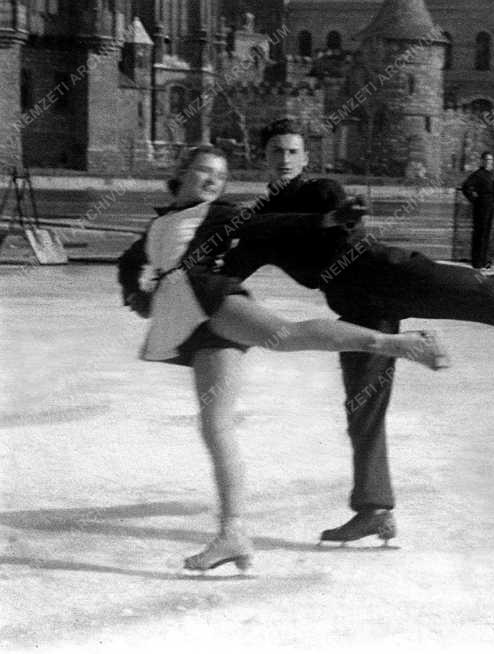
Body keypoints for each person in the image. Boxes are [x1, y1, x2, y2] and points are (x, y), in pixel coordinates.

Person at [220, 117, 494, 546]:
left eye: (291, 152)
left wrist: (313, 221)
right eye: (275, 152)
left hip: (385, 271)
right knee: (363, 405)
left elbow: (337, 224)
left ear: (305, 157)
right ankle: (374, 509)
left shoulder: (321, 192)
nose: (283, 159)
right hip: (354, 305)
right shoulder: (259, 223)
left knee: (476, 291)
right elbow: (230, 273)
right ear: (262, 157)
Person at [116, 146, 448, 572]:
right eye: (204, 170)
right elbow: (131, 260)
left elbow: (268, 223)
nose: (213, 180)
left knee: (283, 336)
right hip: (188, 322)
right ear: (182, 173)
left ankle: (398, 344)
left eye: (220, 175)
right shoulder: (160, 222)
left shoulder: (217, 214)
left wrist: (325, 221)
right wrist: (137, 293)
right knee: (215, 426)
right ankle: (233, 532)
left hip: (209, 295)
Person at [460, 151, 494, 268]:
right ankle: (476, 261)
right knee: (479, 234)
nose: (488, 162)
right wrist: (474, 199)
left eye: (490, 160)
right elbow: (466, 187)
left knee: (486, 234)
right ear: (482, 161)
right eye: (486, 160)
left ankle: (484, 260)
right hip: (481, 207)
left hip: (490, 207)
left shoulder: (492, 174)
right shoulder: (478, 174)